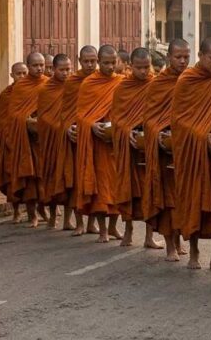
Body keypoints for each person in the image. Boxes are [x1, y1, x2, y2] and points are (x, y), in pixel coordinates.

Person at [172, 37, 211, 270]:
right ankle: (194, 254)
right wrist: (200, 135)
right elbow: (179, 119)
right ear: (200, 55)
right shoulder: (187, 80)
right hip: (193, 152)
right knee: (194, 201)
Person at [70, 45, 124, 243]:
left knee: (117, 187)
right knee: (101, 188)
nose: (110, 67)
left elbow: (127, 111)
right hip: (98, 144)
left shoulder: (121, 82)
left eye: (113, 62)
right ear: (100, 63)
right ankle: (102, 229)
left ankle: (113, 227)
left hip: (115, 143)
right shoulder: (89, 84)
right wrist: (91, 126)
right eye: (106, 63)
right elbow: (81, 115)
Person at [141, 39, 189, 261]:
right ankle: (171, 245)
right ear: (169, 57)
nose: (182, 61)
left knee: (183, 199)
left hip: (187, 149)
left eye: (186, 57)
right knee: (169, 199)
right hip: (165, 149)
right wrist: (159, 133)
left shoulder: (194, 82)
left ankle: (180, 241)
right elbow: (149, 119)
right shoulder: (158, 84)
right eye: (178, 57)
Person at [109, 47, 161, 249]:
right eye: (138, 68)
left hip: (148, 145)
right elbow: (117, 118)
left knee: (149, 191)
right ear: (130, 67)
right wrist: (126, 130)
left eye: (146, 67)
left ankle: (149, 236)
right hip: (129, 146)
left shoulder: (155, 85)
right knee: (129, 189)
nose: (143, 72)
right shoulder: (123, 88)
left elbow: (160, 114)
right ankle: (128, 231)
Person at [0, 53, 49, 228]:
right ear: (29, 66)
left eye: (42, 65)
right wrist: (26, 120)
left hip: (42, 141)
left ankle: (43, 210)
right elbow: (13, 116)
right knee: (29, 179)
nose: (40, 68)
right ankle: (31, 215)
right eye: (35, 65)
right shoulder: (21, 88)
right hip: (25, 140)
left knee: (43, 178)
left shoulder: (47, 84)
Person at [57, 46, 100, 235]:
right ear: (79, 60)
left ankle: (92, 223)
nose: (90, 65)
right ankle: (79, 222)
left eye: (93, 61)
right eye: (86, 61)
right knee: (77, 181)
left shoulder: (99, 81)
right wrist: (67, 128)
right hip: (75, 138)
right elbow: (64, 113)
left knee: (92, 180)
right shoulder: (72, 81)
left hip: (95, 137)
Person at [35, 54, 72, 229]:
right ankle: (51, 217)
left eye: (68, 69)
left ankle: (67, 220)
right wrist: (60, 126)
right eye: (62, 70)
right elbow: (44, 117)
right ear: (54, 69)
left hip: (69, 141)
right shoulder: (45, 89)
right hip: (51, 141)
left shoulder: (74, 87)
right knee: (51, 178)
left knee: (69, 179)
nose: (66, 73)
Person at [0, 61, 29, 222]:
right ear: (12, 75)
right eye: (18, 74)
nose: (21, 77)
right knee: (12, 177)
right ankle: (16, 211)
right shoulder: (6, 95)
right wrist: (7, 139)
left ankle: (33, 212)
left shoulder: (32, 93)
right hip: (11, 142)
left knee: (31, 180)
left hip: (28, 143)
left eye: (24, 73)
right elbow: (2, 121)